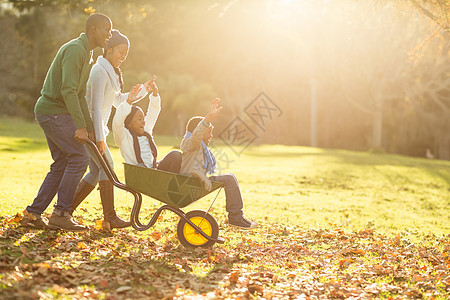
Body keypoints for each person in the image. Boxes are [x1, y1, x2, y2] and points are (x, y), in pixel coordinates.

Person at [21, 14, 113, 231]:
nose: (109, 34)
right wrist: (80, 126)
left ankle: (33, 214)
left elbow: (80, 95)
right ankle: (61, 213)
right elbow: (68, 90)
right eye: (106, 29)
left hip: (55, 112)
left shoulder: (87, 53)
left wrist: (89, 127)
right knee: (79, 157)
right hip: (53, 111)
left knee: (62, 162)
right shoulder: (75, 50)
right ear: (93, 29)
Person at [70, 29, 151, 229]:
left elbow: (117, 100)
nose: (123, 57)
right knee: (108, 167)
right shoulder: (99, 71)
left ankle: (63, 211)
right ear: (108, 50)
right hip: (90, 130)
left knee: (96, 171)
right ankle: (109, 217)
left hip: (96, 131)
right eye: (121, 51)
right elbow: (95, 107)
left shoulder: (110, 72)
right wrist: (99, 137)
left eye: (126, 53)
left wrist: (144, 91)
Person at [180, 99, 257, 229]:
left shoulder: (200, 147)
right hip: (190, 181)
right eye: (209, 132)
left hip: (198, 180)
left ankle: (236, 217)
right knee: (229, 179)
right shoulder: (190, 143)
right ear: (199, 131)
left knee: (230, 177)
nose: (211, 136)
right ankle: (235, 218)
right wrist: (207, 118)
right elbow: (196, 135)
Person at [112, 76, 182, 172]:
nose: (143, 121)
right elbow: (117, 122)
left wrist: (155, 94)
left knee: (176, 155)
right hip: (138, 174)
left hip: (152, 171)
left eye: (143, 118)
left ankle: (170, 184)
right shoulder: (123, 136)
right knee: (141, 167)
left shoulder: (146, 130)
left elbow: (153, 112)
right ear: (129, 124)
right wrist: (128, 102)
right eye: (140, 119)